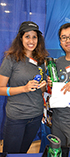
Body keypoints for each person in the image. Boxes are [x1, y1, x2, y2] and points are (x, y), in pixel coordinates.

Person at [0, 21, 48, 153]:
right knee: (11, 153)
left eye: (34, 37)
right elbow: (0, 88)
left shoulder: (41, 60)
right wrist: (24, 88)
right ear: (20, 38)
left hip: (35, 116)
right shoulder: (10, 59)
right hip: (16, 117)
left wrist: (43, 85)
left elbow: (41, 91)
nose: (31, 41)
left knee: (23, 152)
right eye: (27, 36)